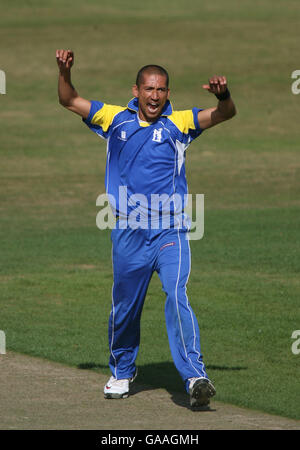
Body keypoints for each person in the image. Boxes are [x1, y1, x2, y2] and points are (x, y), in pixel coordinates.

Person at [56, 49, 236, 408]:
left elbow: (224, 113)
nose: (155, 96)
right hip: (128, 232)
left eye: (162, 90)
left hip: (171, 231)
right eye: (149, 89)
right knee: (125, 308)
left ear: (168, 94)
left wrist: (223, 96)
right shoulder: (114, 119)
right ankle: (123, 371)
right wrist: (63, 71)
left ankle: (195, 376)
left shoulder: (179, 123)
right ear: (136, 91)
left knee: (176, 293)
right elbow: (69, 99)